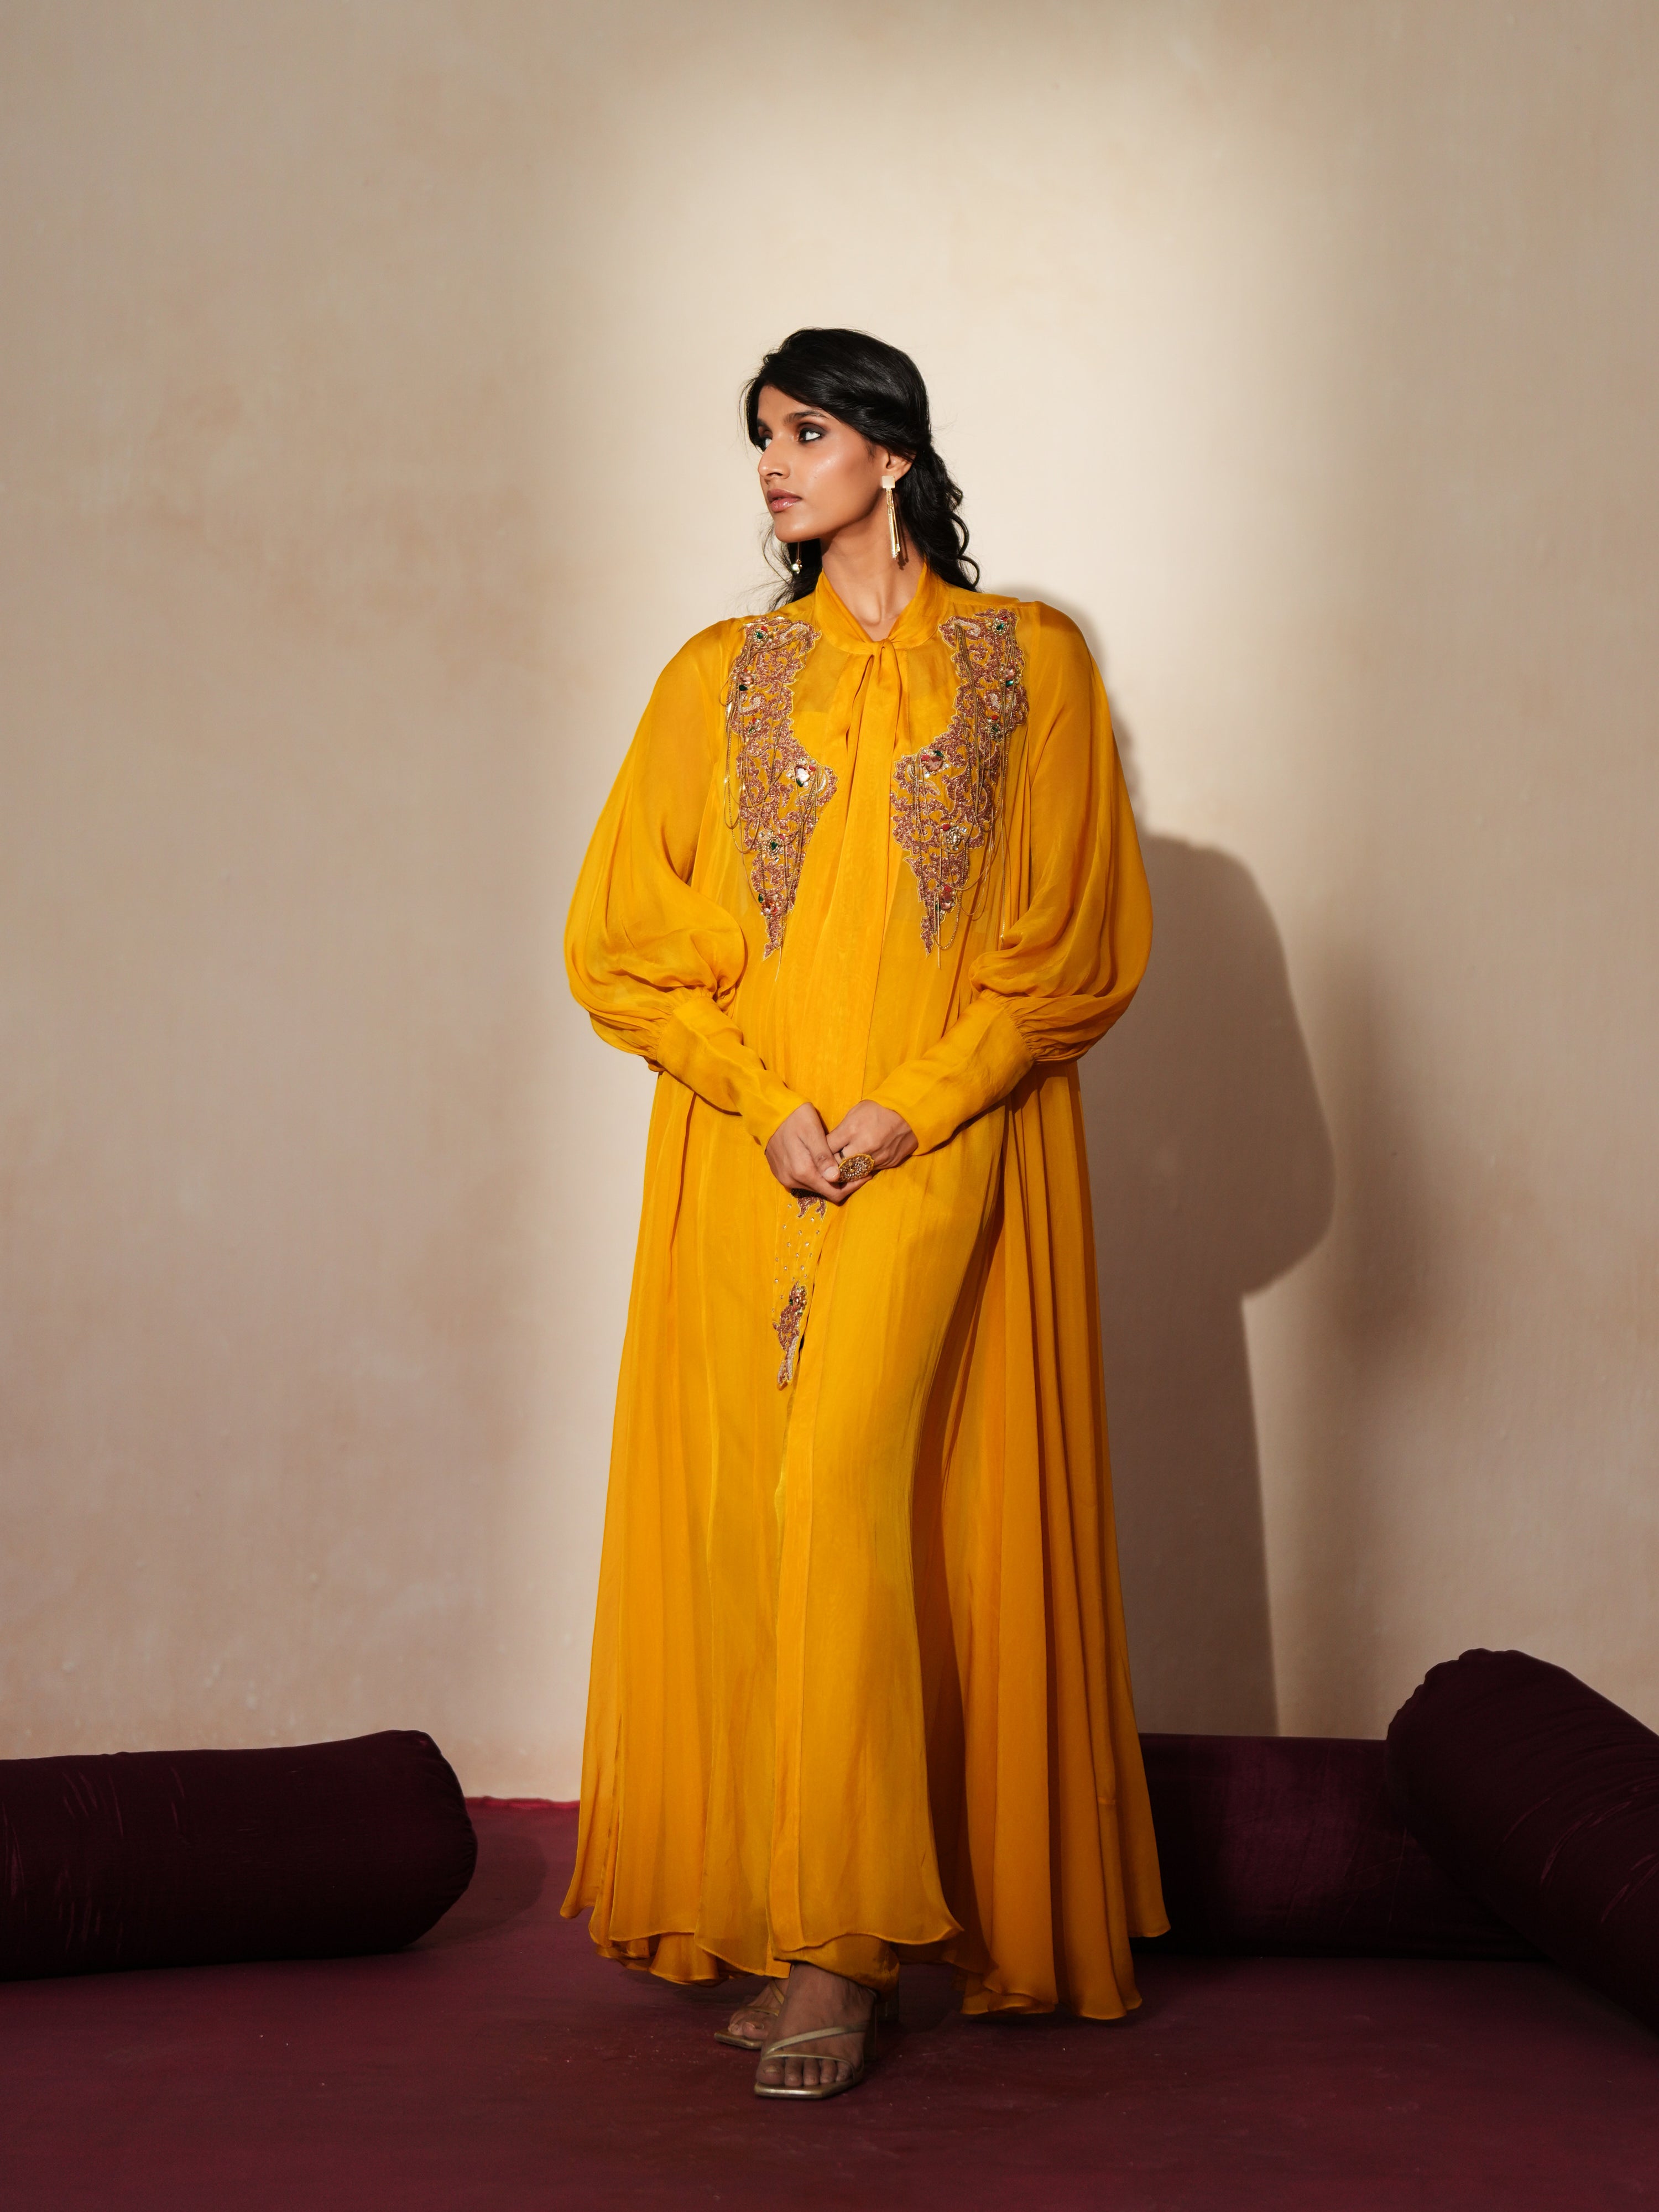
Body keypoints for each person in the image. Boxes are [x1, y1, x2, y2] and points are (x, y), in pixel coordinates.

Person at [562, 328, 1167, 2101]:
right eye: (760, 436)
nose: (771, 462)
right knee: (774, 1523)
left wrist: (921, 1100)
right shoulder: (715, 676)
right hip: (764, 1155)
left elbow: (1076, 940)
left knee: (843, 1494)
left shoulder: (1027, 662)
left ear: (891, 453)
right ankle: (811, 1916)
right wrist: (767, 1104)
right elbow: (622, 936)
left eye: (806, 430)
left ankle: (838, 1957)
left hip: (941, 1140)